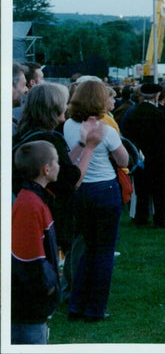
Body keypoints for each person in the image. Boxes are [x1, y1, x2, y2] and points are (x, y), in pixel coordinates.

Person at [13, 82, 104, 298]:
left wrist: (81, 143)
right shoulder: (49, 139)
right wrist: (90, 147)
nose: (68, 106)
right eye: (65, 102)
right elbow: (71, 180)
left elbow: (60, 169)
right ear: (53, 107)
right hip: (49, 211)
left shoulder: (29, 133)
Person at [63, 79, 129, 322]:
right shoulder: (106, 129)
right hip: (105, 188)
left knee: (87, 250)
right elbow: (124, 160)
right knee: (103, 252)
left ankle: (76, 304)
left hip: (81, 190)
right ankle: (95, 308)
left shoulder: (68, 125)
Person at [11, 141, 61, 344]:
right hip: (29, 310)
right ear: (46, 169)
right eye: (56, 160)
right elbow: (30, 261)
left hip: (32, 305)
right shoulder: (30, 206)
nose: (60, 165)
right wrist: (48, 290)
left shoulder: (35, 199)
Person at [122, 83, 165, 228]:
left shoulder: (134, 112)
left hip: (140, 155)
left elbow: (126, 133)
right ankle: (160, 219)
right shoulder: (159, 114)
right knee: (160, 190)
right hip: (158, 156)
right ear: (156, 96)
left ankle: (141, 217)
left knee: (142, 190)